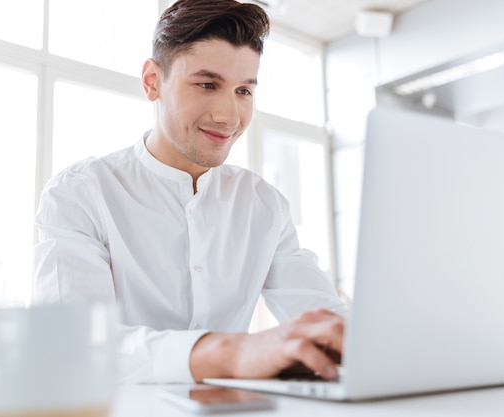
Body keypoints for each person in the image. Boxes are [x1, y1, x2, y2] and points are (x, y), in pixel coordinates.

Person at [33, 0, 349, 384]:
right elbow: (72, 346)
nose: (228, 116)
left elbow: (327, 319)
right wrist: (225, 354)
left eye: (244, 91)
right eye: (207, 84)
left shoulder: (263, 203)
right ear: (153, 81)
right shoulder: (80, 193)